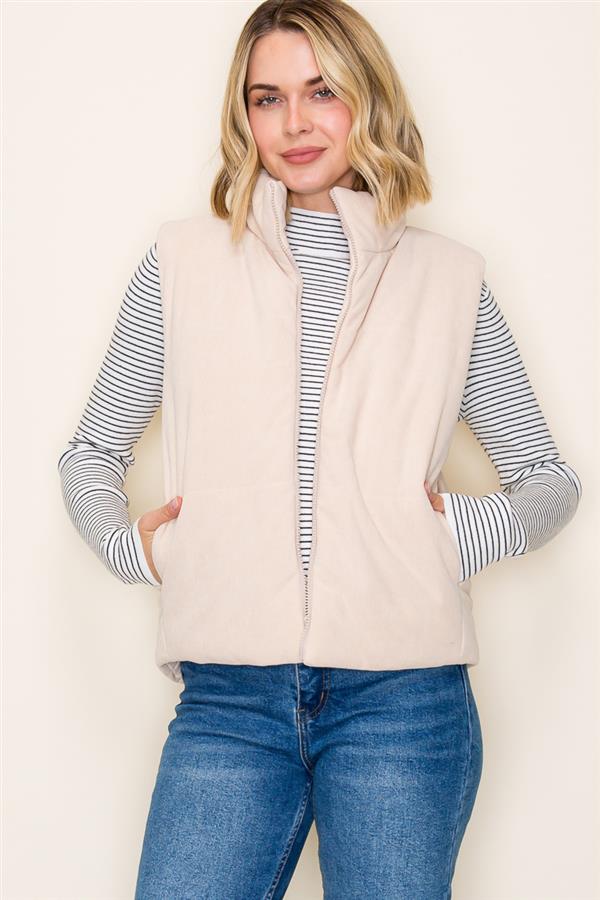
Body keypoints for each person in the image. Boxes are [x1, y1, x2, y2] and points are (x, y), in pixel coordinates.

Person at [57, 1, 582, 897]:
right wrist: (135, 548)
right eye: (267, 98)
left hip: (403, 704)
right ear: (244, 115)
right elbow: (90, 453)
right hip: (228, 701)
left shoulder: (449, 279)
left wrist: (456, 535)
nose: (295, 123)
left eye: (322, 91)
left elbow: (549, 480)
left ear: (367, 100)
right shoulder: (180, 263)